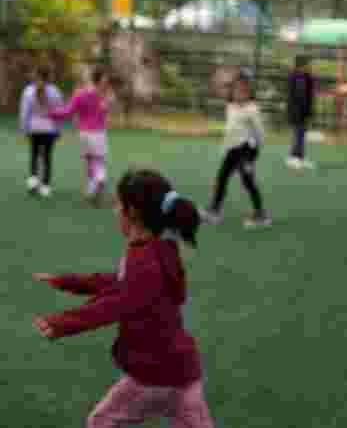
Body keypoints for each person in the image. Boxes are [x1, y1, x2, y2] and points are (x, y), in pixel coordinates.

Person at [32, 169, 214, 428]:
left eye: (119, 205)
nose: (115, 211)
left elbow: (118, 301)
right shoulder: (161, 250)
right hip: (183, 372)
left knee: (101, 422)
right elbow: (121, 283)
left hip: (154, 375)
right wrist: (66, 281)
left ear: (133, 213)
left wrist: (63, 322)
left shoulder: (144, 259)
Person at [202, 71, 271, 228]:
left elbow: (260, 133)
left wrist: (252, 156)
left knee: (248, 181)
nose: (240, 93)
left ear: (249, 92)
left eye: (244, 90)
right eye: (237, 90)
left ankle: (261, 214)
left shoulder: (252, 109)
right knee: (221, 178)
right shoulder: (231, 106)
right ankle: (214, 211)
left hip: (246, 150)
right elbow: (230, 130)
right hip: (232, 150)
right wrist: (224, 147)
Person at [49, 67, 115, 206]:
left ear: (92, 78)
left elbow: (67, 112)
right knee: (99, 163)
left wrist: (51, 113)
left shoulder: (80, 93)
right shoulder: (107, 96)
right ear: (102, 81)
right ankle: (99, 181)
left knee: (90, 163)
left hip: (84, 134)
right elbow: (105, 113)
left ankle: (91, 192)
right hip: (98, 133)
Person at [19, 67, 64, 198]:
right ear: (48, 76)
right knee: (47, 157)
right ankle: (45, 186)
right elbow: (59, 111)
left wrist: (24, 129)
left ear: (36, 76)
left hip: (34, 128)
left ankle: (33, 180)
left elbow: (24, 112)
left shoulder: (28, 91)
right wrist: (59, 129)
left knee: (34, 154)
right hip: (49, 128)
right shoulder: (55, 91)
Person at [286, 55, 316, 171]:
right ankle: (294, 158)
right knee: (298, 134)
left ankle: (299, 157)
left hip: (302, 111)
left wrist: (309, 111)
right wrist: (306, 111)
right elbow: (300, 95)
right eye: (308, 64)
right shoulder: (298, 77)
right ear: (301, 66)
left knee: (301, 134)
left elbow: (307, 94)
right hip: (297, 110)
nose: (310, 66)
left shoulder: (305, 76)